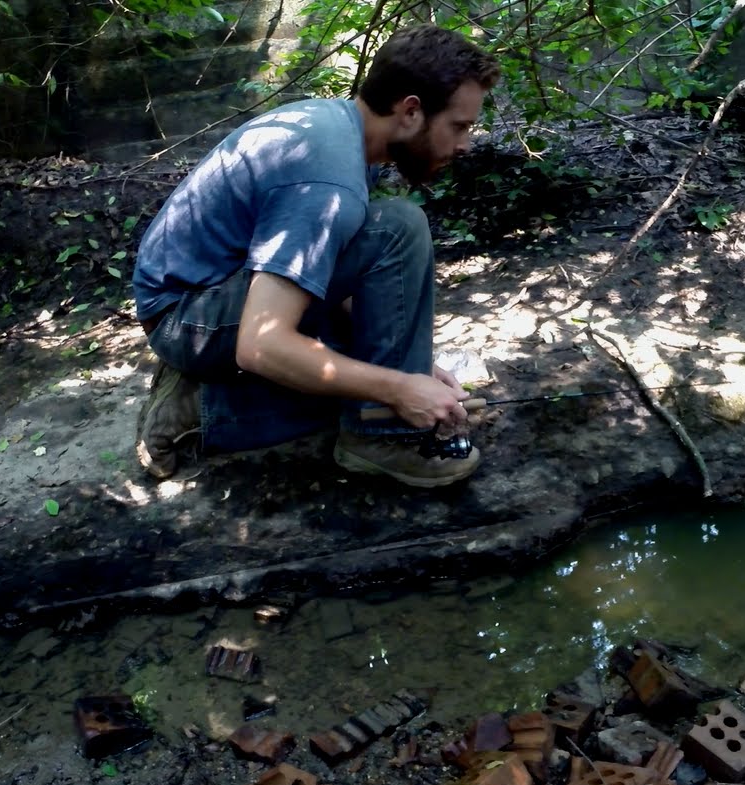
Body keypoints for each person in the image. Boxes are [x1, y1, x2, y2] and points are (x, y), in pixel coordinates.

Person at [131, 25, 500, 488]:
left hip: (214, 296)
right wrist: (400, 389)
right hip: (186, 318)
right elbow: (262, 344)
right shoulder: (328, 184)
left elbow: (340, 273)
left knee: (367, 366)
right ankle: (216, 413)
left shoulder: (341, 131)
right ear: (410, 111)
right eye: (459, 126)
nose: (466, 144)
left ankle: (202, 393)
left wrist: (414, 364)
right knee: (397, 232)